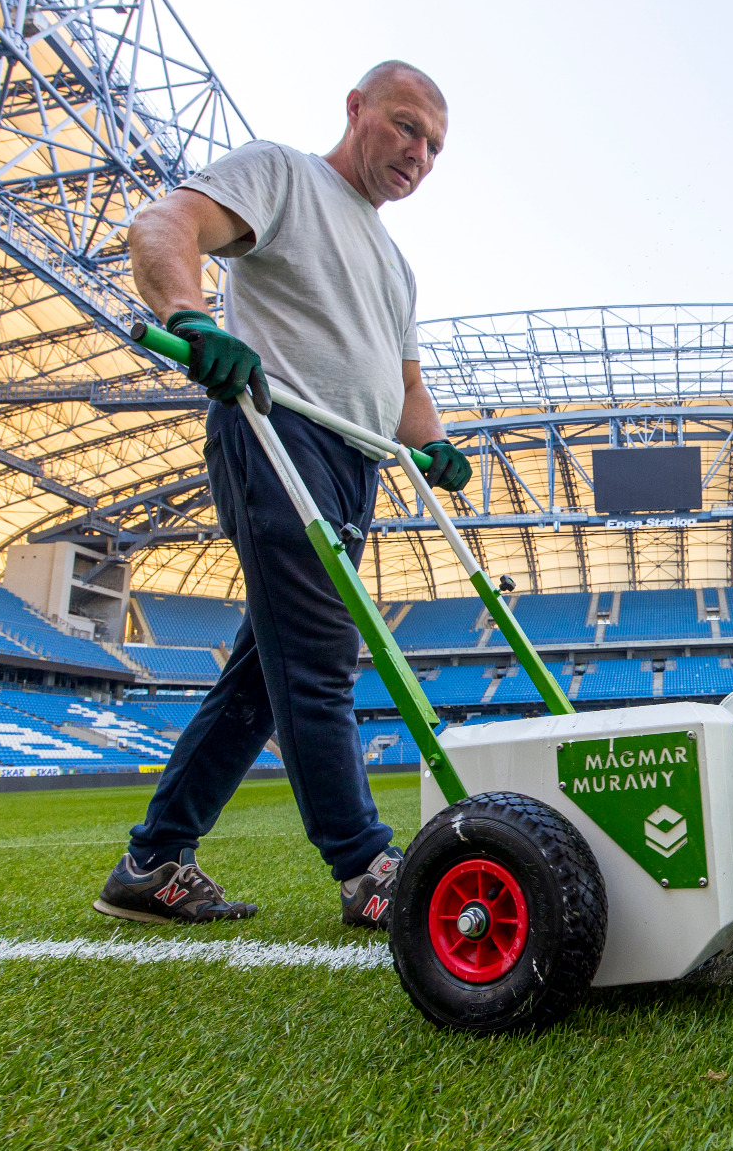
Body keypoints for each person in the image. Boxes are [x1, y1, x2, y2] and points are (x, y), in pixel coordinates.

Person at [92, 61, 472, 928]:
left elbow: (404, 385)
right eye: (407, 126)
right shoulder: (284, 175)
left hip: (353, 461)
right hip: (275, 430)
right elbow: (164, 223)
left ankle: (151, 862)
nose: (419, 153)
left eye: (434, 145)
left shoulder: (395, 262)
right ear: (356, 108)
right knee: (320, 653)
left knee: (262, 679)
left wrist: (437, 442)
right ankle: (368, 862)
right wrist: (193, 320)